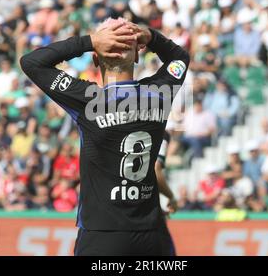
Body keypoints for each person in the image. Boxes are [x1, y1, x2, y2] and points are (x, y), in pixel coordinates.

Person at [20, 18, 190, 256]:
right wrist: (151, 36)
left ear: (96, 58)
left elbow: (31, 62)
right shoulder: (160, 93)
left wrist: (89, 41)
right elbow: (180, 58)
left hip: (102, 233)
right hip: (150, 233)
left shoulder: (89, 99)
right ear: (138, 55)